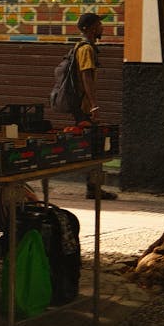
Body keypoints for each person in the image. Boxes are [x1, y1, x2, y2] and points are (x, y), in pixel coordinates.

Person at [73, 12, 117, 200]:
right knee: (95, 146)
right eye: (99, 24)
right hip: (83, 106)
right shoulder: (86, 49)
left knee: (93, 146)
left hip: (83, 105)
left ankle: (93, 186)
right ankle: (93, 187)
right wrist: (94, 105)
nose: (102, 27)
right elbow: (86, 76)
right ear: (90, 28)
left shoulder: (86, 46)